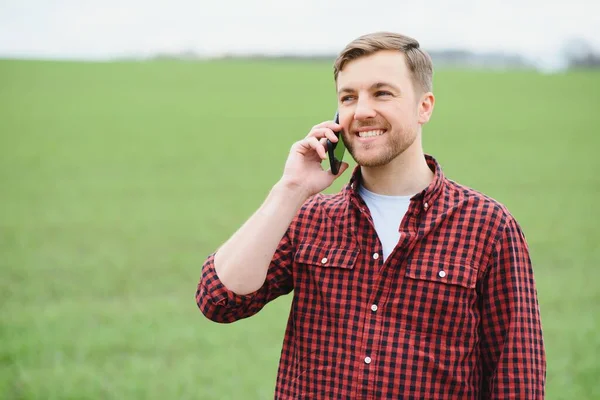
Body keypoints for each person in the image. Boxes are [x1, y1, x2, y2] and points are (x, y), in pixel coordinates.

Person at [195, 31, 546, 399]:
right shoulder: (311, 219)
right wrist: (291, 188)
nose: (361, 111)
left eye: (382, 93)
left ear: (424, 107)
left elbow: (516, 378)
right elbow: (219, 300)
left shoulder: (487, 227)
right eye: (348, 97)